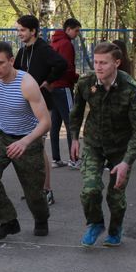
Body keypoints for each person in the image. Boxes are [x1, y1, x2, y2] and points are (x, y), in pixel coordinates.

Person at [0, 41, 51, 240]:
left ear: (12, 61)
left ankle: (41, 218)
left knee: (33, 192)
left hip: (28, 139)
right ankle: (8, 222)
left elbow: (45, 122)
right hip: (1, 135)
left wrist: (25, 142)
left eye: (0, 63)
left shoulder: (27, 84)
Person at [70, 42, 136, 247]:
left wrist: (127, 162)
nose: (98, 67)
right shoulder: (86, 83)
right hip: (94, 143)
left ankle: (115, 230)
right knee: (90, 190)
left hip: (120, 147)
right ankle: (95, 223)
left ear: (117, 63)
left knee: (115, 196)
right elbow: (76, 112)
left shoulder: (130, 88)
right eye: (96, 62)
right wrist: (75, 138)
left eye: (104, 63)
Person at [14, 14, 67, 205]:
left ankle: (47, 190)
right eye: (18, 30)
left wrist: (48, 81)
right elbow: (17, 72)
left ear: (32, 31)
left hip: (41, 104)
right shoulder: (23, 51)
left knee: (38, 147)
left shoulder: (44, 49)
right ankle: (33, 188)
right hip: (24, 105)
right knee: (28, 149)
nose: (19, 33)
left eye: (22, 30)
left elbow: (62, 64)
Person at [49, 18, 81, 169]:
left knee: (55, 124)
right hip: (64, 86)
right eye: (76, 30)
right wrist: (76, 78)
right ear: (68, 29)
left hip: (53, 87)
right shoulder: (66, 44)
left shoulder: (54, 42)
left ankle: (56, 158)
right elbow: (67, 67)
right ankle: (74, 159)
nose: (77, 34)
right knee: (71, 122)